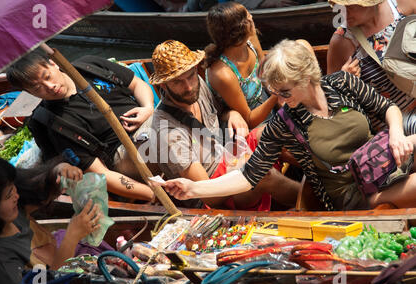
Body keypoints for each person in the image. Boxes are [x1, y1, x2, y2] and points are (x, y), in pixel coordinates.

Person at [160, 40, 416, 211]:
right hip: (356, 195)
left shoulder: (342, 83)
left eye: (284, 92)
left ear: (306, 78)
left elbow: (388, 108)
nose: (279, 101)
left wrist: (396, 134)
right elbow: (249, 175)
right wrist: (193, 188)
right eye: (275, 93)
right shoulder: (285, 123)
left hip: (383, 161)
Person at [148, 40, 301, 210]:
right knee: (262, 173)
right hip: (214, 191)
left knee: (273, 130)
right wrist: (245, 168)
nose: (189, 86)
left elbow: (220, 111)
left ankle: (321, 172)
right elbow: (208, 195)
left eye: (191, 75)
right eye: (177, 82)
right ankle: (311, 202)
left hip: (229, 155)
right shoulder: (166, 131)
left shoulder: (196, 85)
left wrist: (232, 114)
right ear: (163, 85)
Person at [6, 51, 155, 202]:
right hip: (125, 153)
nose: (50, 86)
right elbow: (101, 172)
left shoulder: (89, 66)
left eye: (47, 76)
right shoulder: (54, 124)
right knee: (164, 134)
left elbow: (136, 84)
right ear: (29, 93)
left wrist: (148, 108)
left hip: (149, 120)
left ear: (53, 64)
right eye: (38, 88)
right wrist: (153, 194)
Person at [0, 155, 103, 284]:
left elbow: (38, 191)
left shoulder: (7, 214)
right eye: (8, 195)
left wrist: (59, 171)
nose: (16, 196)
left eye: (13, 187)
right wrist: (71, 237)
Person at [327, 0, 416, 134]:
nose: (343, 11)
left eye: (351, 6)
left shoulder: (402, 5)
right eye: (340, 5)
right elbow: (332, 103)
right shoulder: (342, 41)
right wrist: (344, 82)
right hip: (393, 129)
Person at [204, 2, 278, 129]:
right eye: (246, 16)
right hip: (248, 124)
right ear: (239, 30)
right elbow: (248, 119)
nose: (251, 16)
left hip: (267, 100)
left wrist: (277, 93)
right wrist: (278, 95)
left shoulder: (249, 39)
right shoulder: (223, 74)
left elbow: (264, 71)